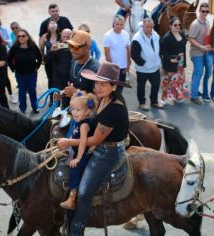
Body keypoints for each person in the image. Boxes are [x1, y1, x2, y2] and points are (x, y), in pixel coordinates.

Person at [57, 61, 131, 235]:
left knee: (84, 192)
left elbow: (94, 140)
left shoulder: (114, 110)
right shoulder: (103, 99)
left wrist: (68, 142)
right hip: (98, 148)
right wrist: (75, 95)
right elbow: (89, 102)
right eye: (97, 83)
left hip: (108, 153)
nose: (97, 87)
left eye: (102, 84)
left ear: (114, 87)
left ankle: (76, 230)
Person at [59, 91, 99, 210]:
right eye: (73, 109)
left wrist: (78, 158)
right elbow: (74, 136)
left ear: (87, 112)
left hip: (85, 153)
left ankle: (73, 198)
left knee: (75, 170)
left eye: (78, 110)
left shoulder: (84, 125)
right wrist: (67, 142)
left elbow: (82, 142)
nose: (74, 112)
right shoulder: (77, 121)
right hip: (77, 151)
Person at [131, 18, 163, 111]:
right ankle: (142, 103)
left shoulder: (155, 34)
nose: (149, 29)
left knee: (156, 85)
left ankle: (154, 101)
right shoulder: (137, 38)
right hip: (143, 69)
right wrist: (144, 64)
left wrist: (159, 61)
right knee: (141, 86)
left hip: (155, 67)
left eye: (151, 27)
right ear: (143, 26)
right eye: (147, 27)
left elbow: (160, 48)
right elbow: (134, 55)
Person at [62, 30, 100, 108]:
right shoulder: (74, 61)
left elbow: (97, 101)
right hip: (74, 112)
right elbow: (75, 87)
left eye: (76, 47)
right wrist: (63, 93)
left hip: (87, 117)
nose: (72, 50)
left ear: (88, 47)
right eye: (70, 46)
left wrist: (77, 93)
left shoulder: (95, 69)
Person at [8, 29, 42, 114]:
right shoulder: (15, 48)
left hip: (32, 74)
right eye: (19, 36)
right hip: (20, 74)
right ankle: (22, 108)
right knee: (22, 91)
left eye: (23, 36)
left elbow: (40, 57)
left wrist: (36, 67)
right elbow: (8, 58)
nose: (21, 38)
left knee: (32, 91)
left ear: (27, 37)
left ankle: (35, 107)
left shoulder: (33, 47)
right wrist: (13, 69)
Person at [160, 16, 188, 105]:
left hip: (180, 62)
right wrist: (172, 58)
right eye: (175, 25)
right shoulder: (166, 37)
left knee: (179, 80)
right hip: (171, 62)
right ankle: (164, 98)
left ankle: (177, 97)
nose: (178, 26)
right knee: (170, 81)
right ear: (170, 26)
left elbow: (183, 45)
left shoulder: (182, 34)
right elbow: (163, 52)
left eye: (179, 25)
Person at [188, 2, 211, 105]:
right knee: (199, 72)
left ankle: (194, 89)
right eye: (203, 11)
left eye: (207, 11)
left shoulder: (207, 22)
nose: (205, 13)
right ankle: (194, 96)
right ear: (199, 11)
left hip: (204, 52)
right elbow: (191, 39)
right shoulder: (195, 24)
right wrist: (201, 47)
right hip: (196, 52)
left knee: (196, 72)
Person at [103, 15, 131, 94]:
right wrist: (111, 67)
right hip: (114, 68)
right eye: (117, 24)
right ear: (113, 24)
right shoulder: (108, 36)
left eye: (121, 24)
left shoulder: (126, 34)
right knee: (112, 88)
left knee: (120, 87)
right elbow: (107, 53)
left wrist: (128, 64)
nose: (119, 26)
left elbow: (128, 49)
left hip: (123, 67)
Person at [50, 28, 72, 108]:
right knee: (56, 102)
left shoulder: (75, 48)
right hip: (57, 80)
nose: (65, 39)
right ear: (61, 36)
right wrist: (52, 51)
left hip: (69, 80)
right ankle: (57, 117)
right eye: (64, 37)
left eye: (68, 37)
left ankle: (65, 118)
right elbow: (46, 60)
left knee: (67, 102)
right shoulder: (56, 46)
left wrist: (72, 48)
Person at [39, 21, 61, 92]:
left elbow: (67, 46)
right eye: (51, 26)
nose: (52, 27)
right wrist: (42, 59)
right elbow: (41, 49)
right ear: (48, 27)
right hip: (48, 61)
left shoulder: (61, 35)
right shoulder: (45, 36)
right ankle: (51, 98)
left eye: (54, 25)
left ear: (57, 26)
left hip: (59, 61)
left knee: (59, 79)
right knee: (50, 79)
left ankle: (59, 96)